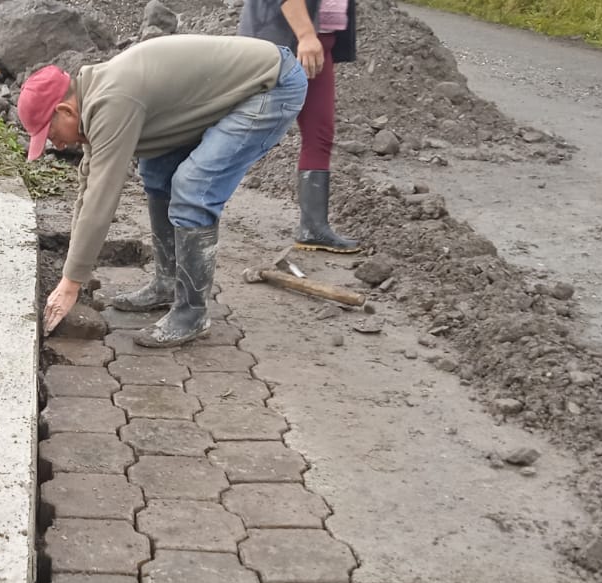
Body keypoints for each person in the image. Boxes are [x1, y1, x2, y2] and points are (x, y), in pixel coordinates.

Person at [18, 34, 307, 347]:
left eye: (51, 134)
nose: (56, 144)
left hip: (271, 87)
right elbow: (88, 187)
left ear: (65, 111)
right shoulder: (93, 97)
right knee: (156, 171)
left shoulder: (113, 101)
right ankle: (168, 283)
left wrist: (70, 285)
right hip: (236, 87)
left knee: (193, 187)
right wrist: (71, 273)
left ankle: (192, 314)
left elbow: (102, 198)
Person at [238, 0, 361, 253]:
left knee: (320, 133)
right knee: (244, 128)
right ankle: (189, 204)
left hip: (319, 45)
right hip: (280, 40)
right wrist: (305, 34)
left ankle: (313, 228)